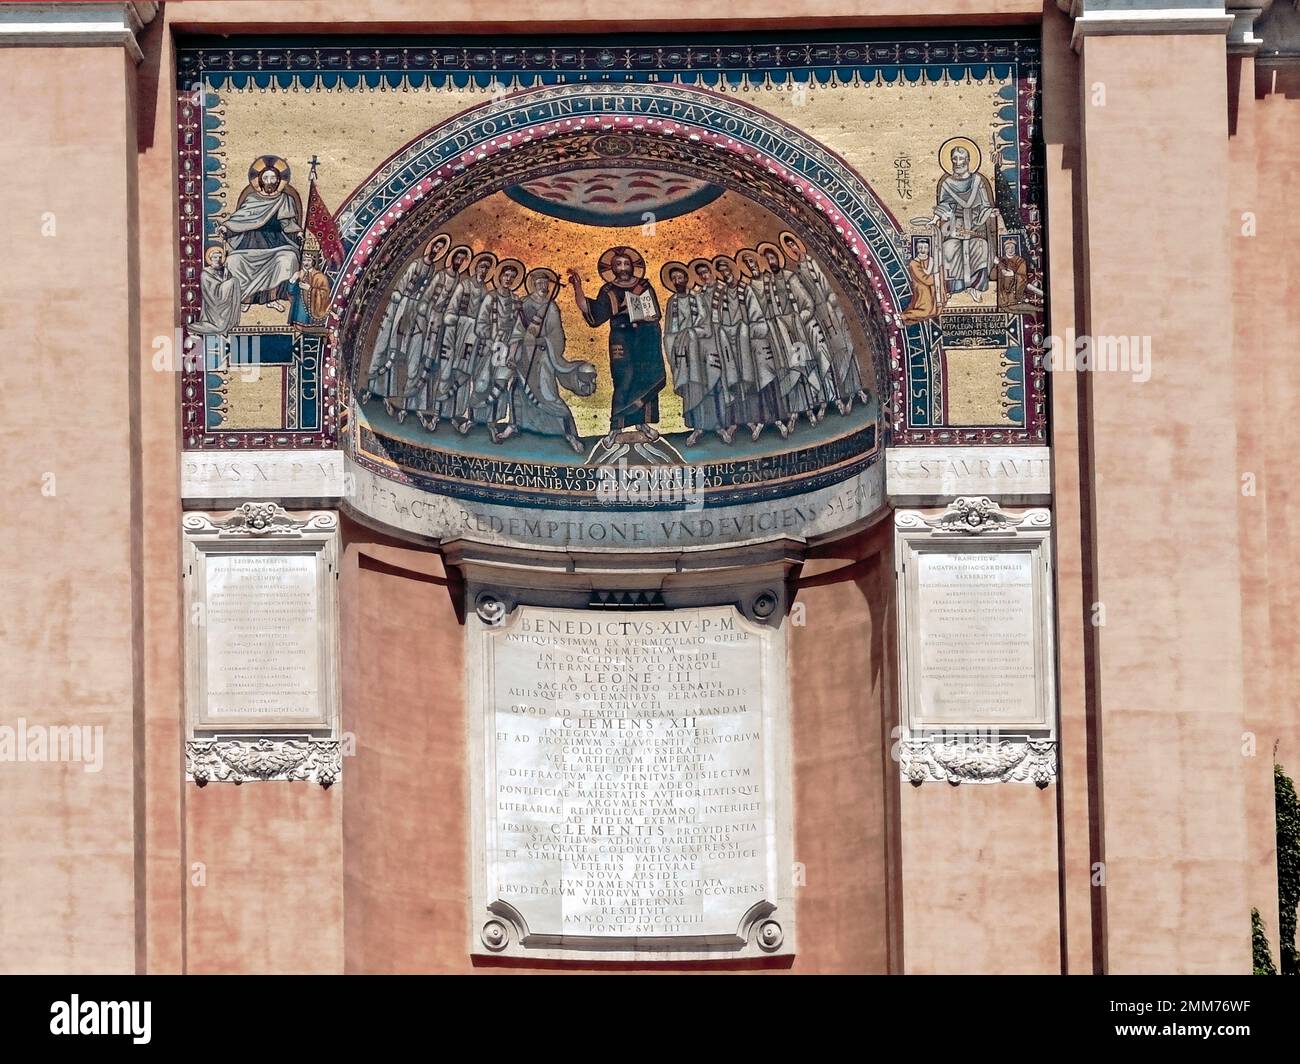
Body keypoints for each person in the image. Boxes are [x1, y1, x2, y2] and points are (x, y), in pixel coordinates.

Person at [568, 246, 665, 447]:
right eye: (618, 264)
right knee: (624, 378)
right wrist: (577, 288)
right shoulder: (608, 290)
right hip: (621, 337)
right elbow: (593, 313)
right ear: (612, 268)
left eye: (626, 263)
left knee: (645, 376)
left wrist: (649, 319)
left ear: (632, 266)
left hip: (645, 336)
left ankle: (643, 424)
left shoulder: (643, 286)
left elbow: (654, 313)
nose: (623, 267)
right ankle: (615, 428)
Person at [506, 268, 595, 454]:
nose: (543, 286)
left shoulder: (551, 306)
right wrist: (512, 354)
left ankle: (570, 434)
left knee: (548, 395)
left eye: (545, 283)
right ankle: (514, 425)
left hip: (544, 356)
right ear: (533, 285)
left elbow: (556, 335)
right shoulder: (525, 303)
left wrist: (542, 341)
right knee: (515, 389)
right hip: (524, 356)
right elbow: (516, 331)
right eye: (539, 283)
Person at [779, 231, 868, 414]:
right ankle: (841, 396)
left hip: (831, 312)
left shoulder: (812, 263)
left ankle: (856, 390)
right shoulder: (796, 272)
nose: (792, 249)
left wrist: (830, 306)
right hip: (818, 318)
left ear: (799, 244)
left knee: (845, 349)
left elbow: (827, 287)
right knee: (830, 358)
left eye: (793, 244)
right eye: (788, 248)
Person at [217, 156, 303, 312]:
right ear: (260, 180)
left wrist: (298, 233)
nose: (269, 181)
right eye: (266, 177)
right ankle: (244, 299)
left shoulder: (284, 199)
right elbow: (239, 219)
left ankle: (273, 298)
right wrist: (226, 228)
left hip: (277, 244)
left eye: (273, 177)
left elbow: (288, 224)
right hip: (251, 243)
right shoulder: (252, 199)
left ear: (278, 181)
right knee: (233, 261)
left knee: (288, 259)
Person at [399, 241, 467, 425]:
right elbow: (426, 296)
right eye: (457, 258)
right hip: (425, 322)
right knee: (415, 364)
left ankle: (420, 408)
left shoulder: (458, 281)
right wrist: (426, 314)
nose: (459, 261)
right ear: (452, 258)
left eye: (462, 259)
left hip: (439, 327)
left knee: (429, 367)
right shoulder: (440, 275)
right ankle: (405, 405)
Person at [468, 258, 525, 443]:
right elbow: (481, 323)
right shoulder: (490, 297)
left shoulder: (516, 301)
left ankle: (492, 422)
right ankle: (471, 418)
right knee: (481, 383)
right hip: (488, 346)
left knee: (500, 386)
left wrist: (512, 347)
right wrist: (492, 337)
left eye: (512, 277)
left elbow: (519, 328)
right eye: (506, 275)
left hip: (507, 349)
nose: (509, 279)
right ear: (500, 277)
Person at [931, 141, 997, 301]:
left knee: (980, 247)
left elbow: (985, 204)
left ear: (968, 160)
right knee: (949, 248)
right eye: (954, 159)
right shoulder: (946, 183)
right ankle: (955, 287)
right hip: (955, 226)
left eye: (961, 159)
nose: (958, 162)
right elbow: (944, 205)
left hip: (976, 226)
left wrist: (988, 212)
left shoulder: (978, 181)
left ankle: (976, 287)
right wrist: (943, 212)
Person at [661, 261, 716, 446]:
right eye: (674, 278)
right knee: (691, 387)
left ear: (686, 278)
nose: (677, 280)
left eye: (680, 277)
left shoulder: (697, 298)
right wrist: (674, 345)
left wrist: (690, 333)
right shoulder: (672, 302)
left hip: (700, 350)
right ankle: (696, 427)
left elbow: (706, 324)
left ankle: (712, 425)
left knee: (704, 385)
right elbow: (668, 332)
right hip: (682, 352)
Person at [188, 245, 242, 336]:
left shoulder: (225, 271)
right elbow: (213, 293)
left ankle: (229, 321)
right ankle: (193, 327)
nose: (218, 259)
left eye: (220, 257)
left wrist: (226, 278)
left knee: (234, 281)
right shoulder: (206, 273)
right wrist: (227, 283)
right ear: (210, 259)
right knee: (234, 281)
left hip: (226, 307)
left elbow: (229, 290)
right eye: (215, 257)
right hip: (214, 307)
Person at [901, 239, 939, 323]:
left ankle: (905, 319)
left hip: (932, 291)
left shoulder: (931, 260)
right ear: (917, 249)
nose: (923, 250)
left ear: (929, 249)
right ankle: (903, 316)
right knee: (926, 311)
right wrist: (938, 277)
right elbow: (925, 279)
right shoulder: (914, 263)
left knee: (932, 311)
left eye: (925, 247)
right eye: (920, 247)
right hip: (922, 291)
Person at [996, 237, 1029, 309]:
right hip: (1001, 294)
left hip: (1013, 293)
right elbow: (992, 276)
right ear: (1005, 249)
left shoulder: (1020, 261)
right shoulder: (1000, 260)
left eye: (1012, 247)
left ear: (1015, 248)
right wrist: (997, 265)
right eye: (1008, 247)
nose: (1010, 250)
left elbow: (1023, 278)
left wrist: (1014, 275)